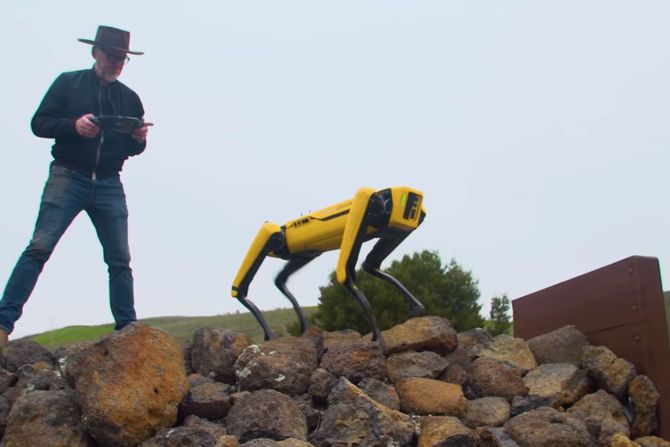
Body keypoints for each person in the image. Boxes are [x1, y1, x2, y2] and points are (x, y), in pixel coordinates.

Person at [0, 25, 150, 347]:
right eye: (112, 56)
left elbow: (132, 149)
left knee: (120, 259)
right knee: (40, 247)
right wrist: (72, 125)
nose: (117, 63)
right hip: (68, 176)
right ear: (95, 52)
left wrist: (138, 140)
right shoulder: (67, 84)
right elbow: (39, 123)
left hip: (109, 183)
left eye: (122, 59)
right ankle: (2, 324)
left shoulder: (130, 99)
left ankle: (128, 332)